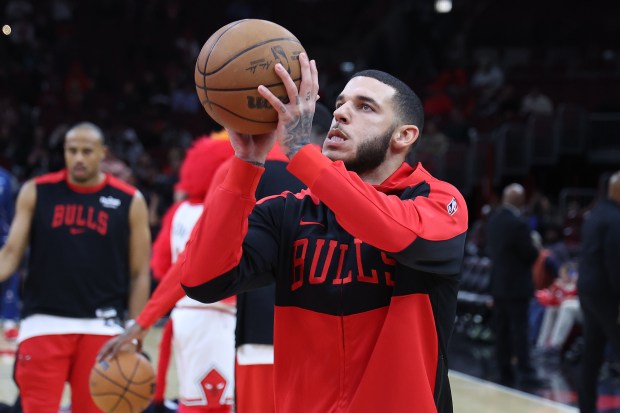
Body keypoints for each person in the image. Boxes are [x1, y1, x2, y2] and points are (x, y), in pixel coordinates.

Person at [180, 53, 469, 412]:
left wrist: (301, 152)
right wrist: (245, 164)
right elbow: (201, 280)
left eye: (365, 107)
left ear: (404, 135)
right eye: (340, 103)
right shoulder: (288, 211)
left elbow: (393, 230)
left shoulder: (437, 200)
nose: (341, 113)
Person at [0, 122, 152, 413]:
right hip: (43, 324)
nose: (78, 158)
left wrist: (136, 330)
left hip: (103, 328)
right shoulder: (36, 191)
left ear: (102, 154)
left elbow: (139, 272)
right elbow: (9, 256)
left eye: (86, 151)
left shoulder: (129, 200)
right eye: (71, 151)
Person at [486, 183, 542, 386]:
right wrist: (536, 247)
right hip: (517, 285)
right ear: (519, 200)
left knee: (501, 330)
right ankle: (526, 372)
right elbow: (529, 253)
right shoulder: (518, 223)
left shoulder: (493, 220)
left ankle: (504, 370)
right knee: (520, 330)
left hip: (498, 284)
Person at [577, 170, 620, 413]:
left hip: (588, 292)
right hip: (608, 296)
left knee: (591, 356)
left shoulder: (595, 215)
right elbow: (615, 263)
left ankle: (586, 407)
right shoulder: (615, 219)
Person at [0, 166, 20, 341]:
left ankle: (9, 321)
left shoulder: (5, 178)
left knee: (8, 275)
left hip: (2, 236)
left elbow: (12, 210)